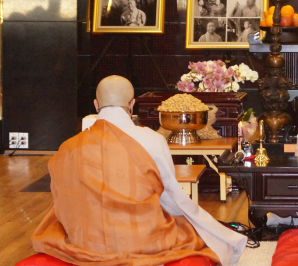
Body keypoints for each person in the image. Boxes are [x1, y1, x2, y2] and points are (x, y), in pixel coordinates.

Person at [30, 76, 247, 265]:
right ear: (132, 104)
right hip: (144, 239)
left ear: (96, 105)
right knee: (190, 228)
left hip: (85, 240)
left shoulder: (68, 147)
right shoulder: (152, 140)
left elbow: (64, 200)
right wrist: (204, 223)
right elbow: (171, 197)